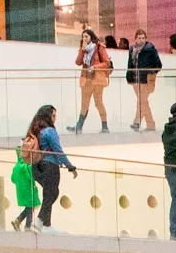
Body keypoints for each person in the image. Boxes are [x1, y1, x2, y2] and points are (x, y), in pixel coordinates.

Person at [14, 104, 77, 233]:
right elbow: (57, 151)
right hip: (50, 165)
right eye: (53, 115)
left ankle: (46, 225)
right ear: (48, 116)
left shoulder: (34, 130)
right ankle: (40, 221)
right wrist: (70, 166)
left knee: (49, 193)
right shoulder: (49, 131)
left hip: (35, 167)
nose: (55, 119)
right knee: (52, 193)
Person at [70, 29, 111, 134]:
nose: (84, 39)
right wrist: (82, 50)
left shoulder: (99, 47)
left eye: (86, 36)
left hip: (97, 80)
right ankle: (79, 127)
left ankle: (105, 126)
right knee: (84, 104)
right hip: (86, 80)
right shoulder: (84, 49)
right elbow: (78, 62)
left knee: (98, 103)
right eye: (83, 36)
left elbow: (107, 63)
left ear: (91, 37)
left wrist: (95, 67)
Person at [121, 28, 162, 132]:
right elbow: (130, 63)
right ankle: (150, 124)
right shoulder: (132, 49)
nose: (141, 40)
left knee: (142, 101)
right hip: (135, 79)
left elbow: (158, 65)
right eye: (139, 38)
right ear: (135, 39)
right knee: (143, 101)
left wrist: (149, 72)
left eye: (143, 38)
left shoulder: (150, 49)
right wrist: (128, 75)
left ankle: (137, 122)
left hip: (145, 79)